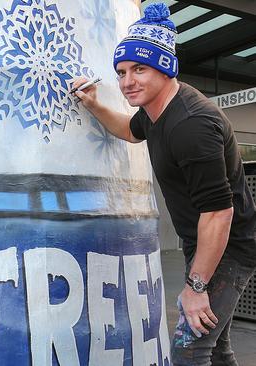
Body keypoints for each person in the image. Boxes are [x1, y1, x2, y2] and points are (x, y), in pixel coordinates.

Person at [73, 3, 256, 365]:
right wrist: (93, 105)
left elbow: (219, 213)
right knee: (215, 347)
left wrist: (196, 287)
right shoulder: (156, 112)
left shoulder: (191, 124)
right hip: (202, 242)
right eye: (122, 72)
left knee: (190, 349)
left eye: (139, 69)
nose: (127, 82)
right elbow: (128, 129)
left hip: (229, 247)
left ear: (165, 67)